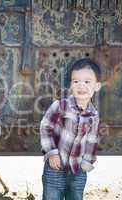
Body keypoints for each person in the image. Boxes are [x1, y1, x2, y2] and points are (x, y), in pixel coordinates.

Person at [40, 58, 102, 200]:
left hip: (78, 168)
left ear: (97, 86)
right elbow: (45, 127)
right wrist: (51, 153)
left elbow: (92, 141)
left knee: (75, 196)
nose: (81, 86)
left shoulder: (94, 115)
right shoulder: (60, 106)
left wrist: (87, 163)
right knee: (51, 196)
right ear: (70, 85)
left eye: (87, 82)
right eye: (76, 81)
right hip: (55, 166)